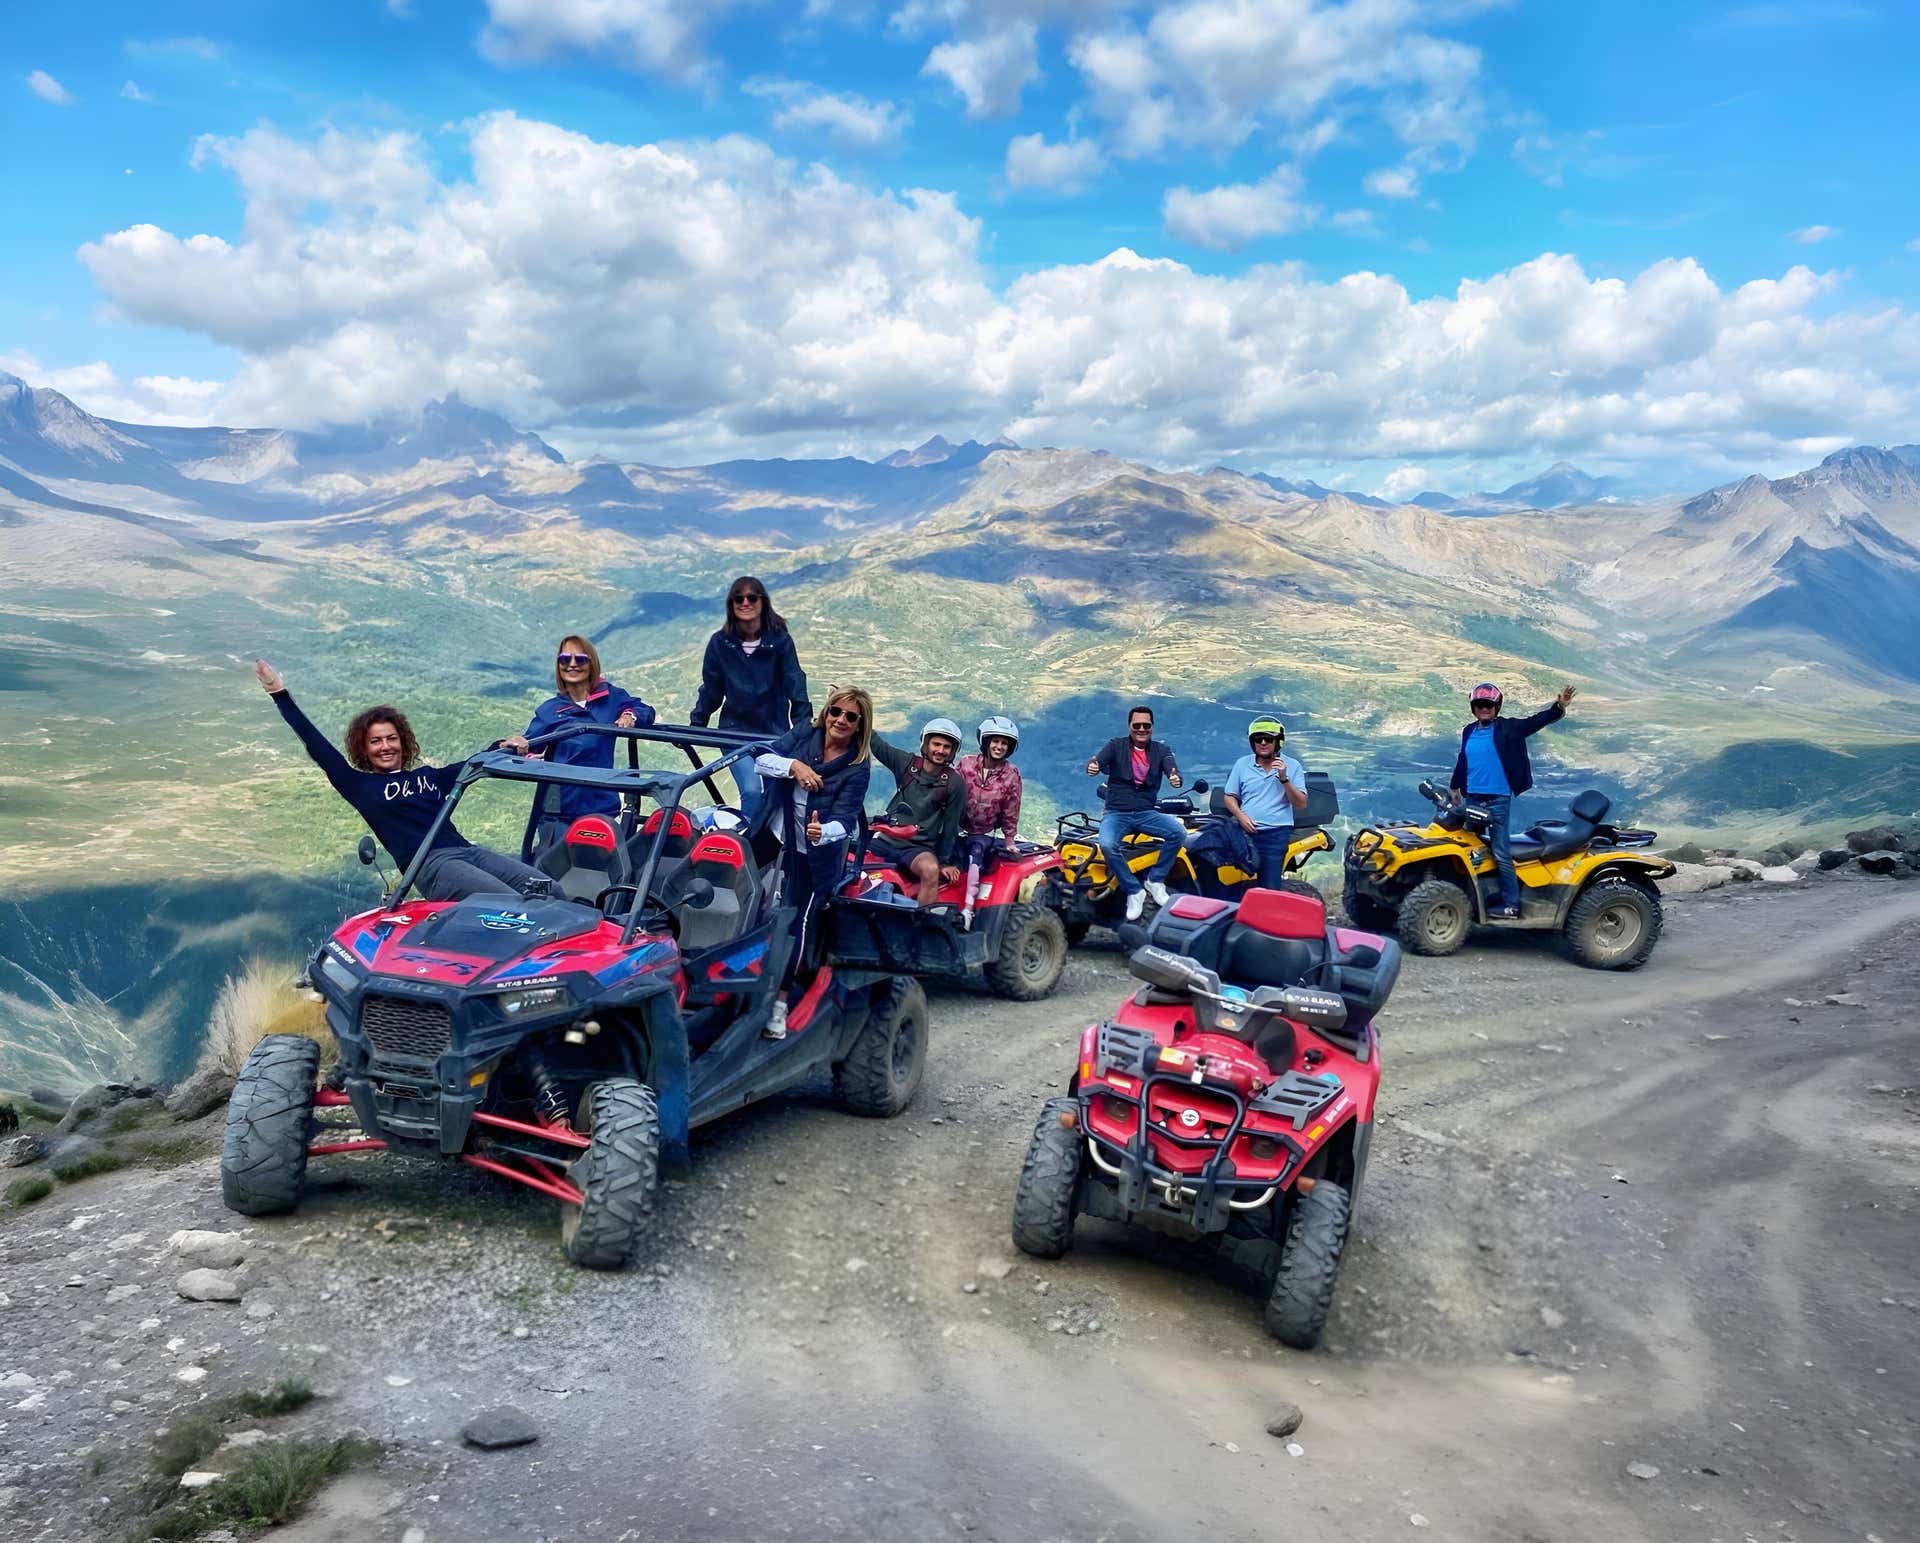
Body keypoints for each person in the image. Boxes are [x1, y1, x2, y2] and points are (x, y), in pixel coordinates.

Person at [254, 659, 548, 902]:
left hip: (467, 851)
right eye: (376, 741)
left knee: (547, 889)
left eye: (392, 738)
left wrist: (508, 746)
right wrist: (279, 694)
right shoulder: (358, 786)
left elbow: (473, 763)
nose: (386, 746)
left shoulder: (429, 776)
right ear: (364, 749)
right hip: (430, 866)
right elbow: (318, 746)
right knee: (514, 903)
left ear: (403, 742)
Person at [753, 687, 874, 1039]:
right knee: (737, 885)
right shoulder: (807, 733)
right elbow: (762, 757)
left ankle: (780, 1003)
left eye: (851, 716)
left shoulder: (857, 767)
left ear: (860, 725)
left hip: (814, 852)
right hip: (775, 831)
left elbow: (847, 819)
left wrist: (825, 832)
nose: (840, 720)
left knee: (796, 921)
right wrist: (795, 765)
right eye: (836, 711)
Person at [502, 634, 656, 853]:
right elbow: (529, 745)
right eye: (565, 659)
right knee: (554, 876)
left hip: (600, 810)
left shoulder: (611, 697)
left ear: (591, 663)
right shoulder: (550, 710)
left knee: (596, 877)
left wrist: (630, 716)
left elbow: (645, 710)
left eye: (580, 659)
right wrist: (523, 750)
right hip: (558, 814)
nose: (572, 664)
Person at [1449, 682, 1578, 919]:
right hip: (1473, 798)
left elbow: (1537, 721)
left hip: (1497, 799)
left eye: (1488, 705)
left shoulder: (1509, 728)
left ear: (1496, 706)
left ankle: (1511, 905)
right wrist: (1455, 785)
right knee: (1469, 847)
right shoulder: (1469, 731)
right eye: (1479, 705)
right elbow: (1463, 759)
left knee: (1500, 851)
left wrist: (1558, 707)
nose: (1484, 709)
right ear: (1473, 707)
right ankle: (1477, 897)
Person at [689, 577, 812, 820]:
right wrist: (697, 724)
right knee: (752, 790)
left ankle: (769, 850)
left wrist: (803, 728)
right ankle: (748, 850)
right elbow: (712, 687)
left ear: (762, 602)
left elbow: (794, 682)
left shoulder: (779, 642)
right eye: (739, 598)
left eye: (752, 597)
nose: (745, 603)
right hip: (735, 732)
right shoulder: (721, 643)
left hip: (772, 732)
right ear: (731, 604)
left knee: (776, 794)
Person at [1086, 705, 1186, 922]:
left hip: (1145, 812)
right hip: (1116, 812)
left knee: (1178, 832)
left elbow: (1172, 768)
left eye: (1146, 725)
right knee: (1107, 844)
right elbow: (1097, 762)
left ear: (1152, 727)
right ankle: (1134, 890)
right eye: (1137, 725)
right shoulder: (1116, 746)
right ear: (1129, 726)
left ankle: (1155, 880)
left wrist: (1174, 777)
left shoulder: (1161, 750)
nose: (1141, 729)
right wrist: (1093, 766)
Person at [867, 719, 967, 906]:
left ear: (952, 752)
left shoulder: (954, 783)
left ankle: (922, 923)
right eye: (936, 744)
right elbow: (878, 745)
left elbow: (950, 827)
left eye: (947, 747)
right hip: (885, 840)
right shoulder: (906, 764)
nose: (940, 750)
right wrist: (858, 713)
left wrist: (943, 862)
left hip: (917, 848)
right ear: (926, 743)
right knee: (849, 861)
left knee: (930, 870)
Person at [1223, 716, 1310, 890]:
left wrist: (1284, 779)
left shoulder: (1293, 766)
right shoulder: (1242, 764)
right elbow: (1229, 796)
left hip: (1275, 833)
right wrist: (1240, 816)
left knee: (1269, 887)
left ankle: (1269, 915)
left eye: (1268, 739)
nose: (1263, 743)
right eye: (1257, 739)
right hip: (1243, 831)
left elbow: (1300, 804)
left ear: (1278, 742)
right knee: (1224, 876)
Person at [955, 716, 1024, 928]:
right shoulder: (965, 764)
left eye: (1005, 743)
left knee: (975, 856)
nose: (999, 746)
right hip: (955, 826)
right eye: (995, 741)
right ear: (984, 741)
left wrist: (1010, 840)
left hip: (982, 833)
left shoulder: (1011, 775)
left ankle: (967, 910)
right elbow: (949, 793)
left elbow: (1011, 809)